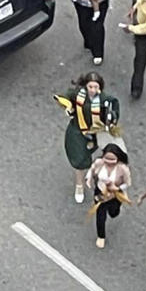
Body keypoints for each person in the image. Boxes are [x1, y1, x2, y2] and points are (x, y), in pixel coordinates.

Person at [57, 71, 121, 203]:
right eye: (90, 87)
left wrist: (111, 118)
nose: (93, 90)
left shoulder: (105, 99)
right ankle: (79, 185)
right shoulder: (78, 94)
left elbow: (114, 109)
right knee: (79, 160)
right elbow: (65, 98)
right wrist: (68, 107)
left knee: (109, 154)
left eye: (96, 87)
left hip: (98, 132)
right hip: (79, 131)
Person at [86, 142, 131, 249]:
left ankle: (116, 210)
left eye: (113, 159)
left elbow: (127, 183)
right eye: (107, 158)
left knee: (113, 213)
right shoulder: (98, 163)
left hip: (115, 195)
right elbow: (91, 171)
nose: (109, 162)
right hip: (101, 192)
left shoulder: (123, 169)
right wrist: (88, 179)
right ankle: (101, 236)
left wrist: (118, 188)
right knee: (100, 215)